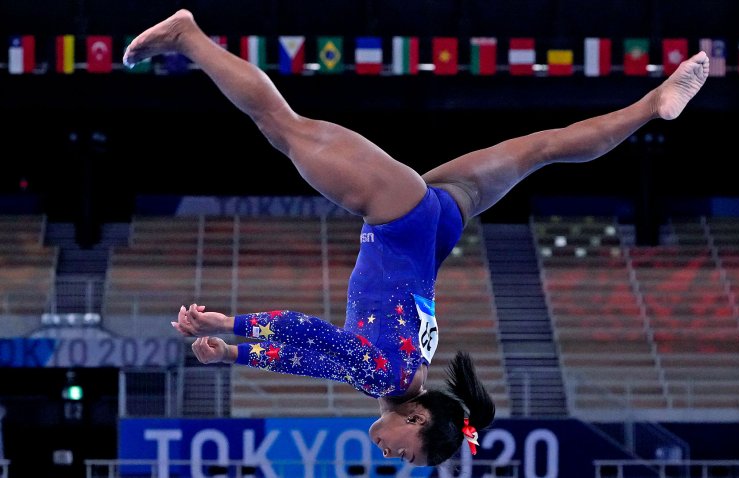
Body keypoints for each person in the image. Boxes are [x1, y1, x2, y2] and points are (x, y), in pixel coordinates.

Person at [124, 8, 709, 468]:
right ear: (418, 421)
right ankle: (188, 37)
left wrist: (232, 354)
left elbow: (312, 355)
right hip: (397, 217)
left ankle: (652, 104)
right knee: (282, 126)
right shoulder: (383, 378)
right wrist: (229, 327)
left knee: (544, 148)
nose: (389, 454)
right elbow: (309, 338)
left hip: (436, 229)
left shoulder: (409, 375)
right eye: (405, 453)